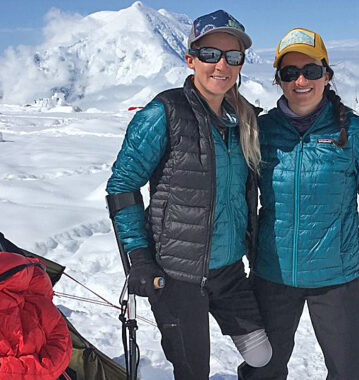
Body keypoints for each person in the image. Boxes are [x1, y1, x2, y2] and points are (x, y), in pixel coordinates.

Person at [106, 10, 272, 380]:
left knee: (262, 356)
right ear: (191, 59)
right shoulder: (165, 112)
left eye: (233, 56)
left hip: (229, 270)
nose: (222, 65)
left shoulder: (242, 119)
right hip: (176, 274)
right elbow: (122, 187)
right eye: (211, 54)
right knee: (193, 369)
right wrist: (138, 259)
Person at [239, 28, 359, 380]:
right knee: (261, 368)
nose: (301, 81)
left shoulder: (357, 134)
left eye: (310, 71)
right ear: (278, 80)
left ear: (327, 75)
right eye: (290, 73)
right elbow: (238, 198)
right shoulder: (259, 132)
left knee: (347, 371)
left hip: (338, 278)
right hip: (272, 274)